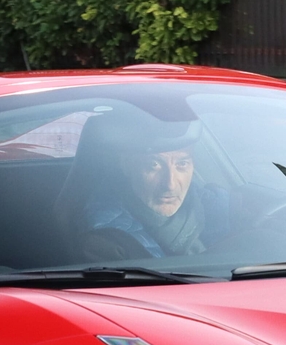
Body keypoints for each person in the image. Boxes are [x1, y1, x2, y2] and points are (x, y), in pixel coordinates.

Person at [66, 107, 244, 261]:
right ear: (127, 166)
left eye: (181, 164)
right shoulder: (105, 241)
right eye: (154, 165)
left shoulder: (222, 205)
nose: (170, 185)